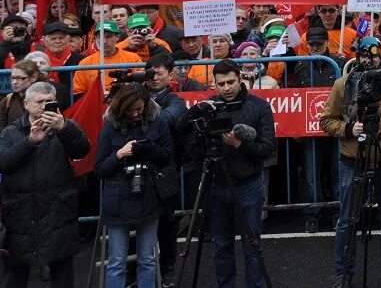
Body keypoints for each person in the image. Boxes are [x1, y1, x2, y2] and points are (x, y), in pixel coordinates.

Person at [179, 59, 277, 288]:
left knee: (252, 245)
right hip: (216, 185)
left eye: (231, 82)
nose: (227, 88)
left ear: (240, 79)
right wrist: (195, 111)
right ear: (214, 84)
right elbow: (182, 132)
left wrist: (238, 144)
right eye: (221, 84)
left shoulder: (259, 107)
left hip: (248, 185)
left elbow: (267, 148)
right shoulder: (209, 106)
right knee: (221, 246)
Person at [320, 37, 381, 287]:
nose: (369, 60)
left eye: (373, 55)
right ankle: (343, 273)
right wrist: (348, 128)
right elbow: (326, 121)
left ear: (380, 57)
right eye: (364, 55)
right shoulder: (343, 84)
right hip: (352, 160)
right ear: (357, 57)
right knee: (347, 219)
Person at [0, 81, 90, 288]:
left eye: (49, 101)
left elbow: (82, 151)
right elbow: (3, 163)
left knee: (63, 273)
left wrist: (65, 129)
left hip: (58, 209)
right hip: (20, 213)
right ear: (27, 104)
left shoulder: (67, 126)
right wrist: (29, 142)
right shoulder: (10, 133)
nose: (44, 106)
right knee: (15, 273)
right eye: (39, 101)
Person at [95, 82, 174, 288]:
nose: (136, 114)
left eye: (140, 109)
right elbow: (100, 170)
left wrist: (150, 150)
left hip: (149, 195)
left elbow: (167, 157)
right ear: (122, 108)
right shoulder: (110, 127)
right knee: (117, 262)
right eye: (131, 110)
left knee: (147, 259)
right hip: (118, 198)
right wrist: (119, 154)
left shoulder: (157, 121)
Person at [289, 24, 343, 234]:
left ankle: (338, 213)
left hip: (335, 128)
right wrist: (296, 129)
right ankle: (313, 215)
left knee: (337, 172)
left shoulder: (339, 63)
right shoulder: (300, 66)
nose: (316, 47)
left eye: (319, 43)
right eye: (312, 44)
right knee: (311, 175)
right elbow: (294, 98)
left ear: (327, 43)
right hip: (310, 130)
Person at [146, 55, 190, 288]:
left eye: (159, 73)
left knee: (166, 221)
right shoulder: (137, 95)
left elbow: (168, 119)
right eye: (150, 73)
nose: (154, 78)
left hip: (165, 168)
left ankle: (168, 266)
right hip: (140, 167)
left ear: (170, 75)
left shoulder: (174, 100)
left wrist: (137, 109)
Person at [72, 22, 143, 100]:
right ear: (95, 39)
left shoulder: (133, 58)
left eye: (108, 37)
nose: (104, 41)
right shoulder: (85, 64)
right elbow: (78, 92)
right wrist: (97, 97)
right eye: (100, 37)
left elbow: (141, 85)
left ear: (117, 37)